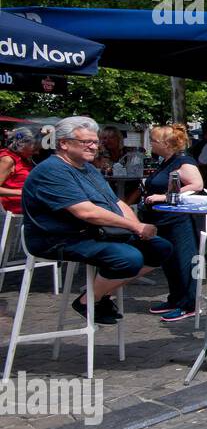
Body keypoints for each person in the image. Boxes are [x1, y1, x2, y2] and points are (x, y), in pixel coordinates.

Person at [21, 116, 172, 324]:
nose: (94, 147)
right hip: (56, 238)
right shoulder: (52, 170)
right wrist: (135, 226)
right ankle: (89, 301)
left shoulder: (88, 168)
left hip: (92, 232)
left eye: (95, 142)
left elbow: (116, 202)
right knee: (127, 259)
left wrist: (137, 229)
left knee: (160, 248)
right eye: (87, 142)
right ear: (64, 143)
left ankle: (98, 296)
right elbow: (87, 212)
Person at [141, 123, 204, 321]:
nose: (150, 143)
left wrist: (165, 196)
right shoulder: (167, 161)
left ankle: (190, 304)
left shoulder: (183, 161)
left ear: (166, 144)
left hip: (178, 220)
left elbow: (197, 184)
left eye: (153, 141)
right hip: (163, 219)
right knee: (169, 261)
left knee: (184, 261)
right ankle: (176, 298)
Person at [0, 126, 39, 216]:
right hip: (9, 214)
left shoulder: (24, 159)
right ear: (22, 143)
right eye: (34, 145)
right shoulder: (8, 160)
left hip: (23, 212)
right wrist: (21, 192)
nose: (36, 151)